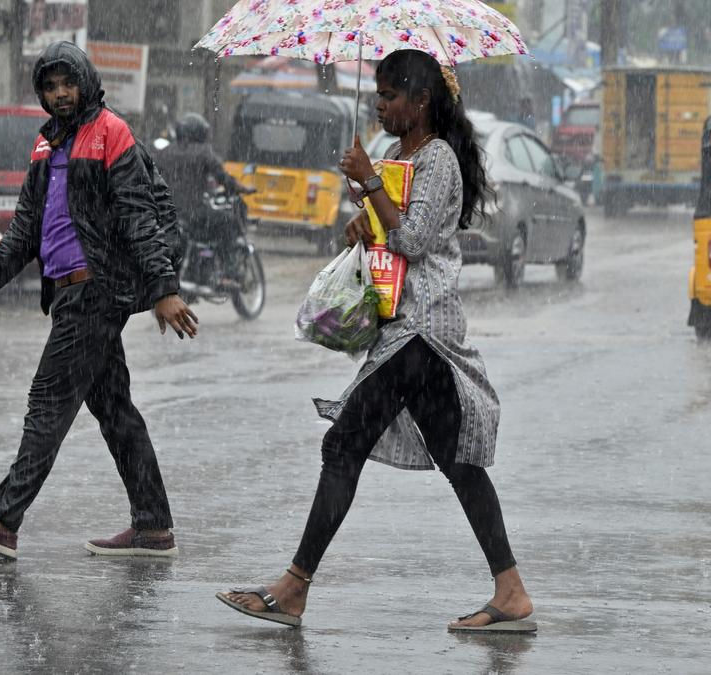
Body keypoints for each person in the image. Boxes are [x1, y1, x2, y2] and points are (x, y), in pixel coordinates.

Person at [216, 49, 534, 632]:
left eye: (390, 96)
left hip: (423, 333)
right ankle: (510, 590)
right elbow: (388, 230)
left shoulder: (438, 160)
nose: (380, 105)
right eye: (379, 94)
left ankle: (293, 587)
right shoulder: (395, 155)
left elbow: (412, 241)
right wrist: (362, 213)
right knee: (459, 464)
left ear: (422, 101)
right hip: (401, 330)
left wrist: (369, 184)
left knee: (343, 447)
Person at [0, 41, 198, 560]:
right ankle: (153, 526)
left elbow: (139, 216)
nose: (59, 94)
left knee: (48, 402)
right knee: (115, 410)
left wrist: (163, 289)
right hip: (69, 292)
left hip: (95, 290)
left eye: (67, 84)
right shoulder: (46, 145)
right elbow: (27, 228)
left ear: (86, 82)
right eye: (49, 86)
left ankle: (3, 519)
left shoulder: (110, 133)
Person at [153, 113, 251, 273]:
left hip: (165, 213)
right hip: (192, 212)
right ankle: (228, 270)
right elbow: (222, 177)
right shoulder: (203, 151)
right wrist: (240, 187)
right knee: (228, 221)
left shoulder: (164, 152)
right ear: (200, 133)